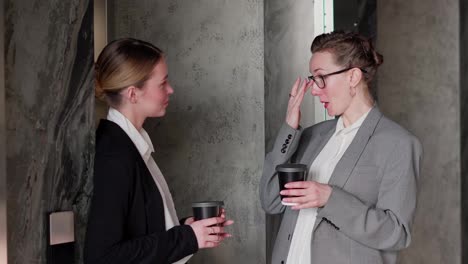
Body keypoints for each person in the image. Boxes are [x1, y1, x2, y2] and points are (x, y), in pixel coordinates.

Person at [260, 31, 422, 264]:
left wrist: (330, 198)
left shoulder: (398, 144)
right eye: (313, 80)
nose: (314, 90)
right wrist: (289, 128)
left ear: (353, 76)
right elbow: (271, 200)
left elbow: (396, 233)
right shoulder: (310, 136)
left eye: (321, 78)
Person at [85, 38, 233, 264]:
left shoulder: (131, 146)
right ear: (133, 94)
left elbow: (141, 232)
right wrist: (188, 238)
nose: (171, 89)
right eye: (162, 83)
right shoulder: (114, 156)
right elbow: (103, 257)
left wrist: (191, 229)